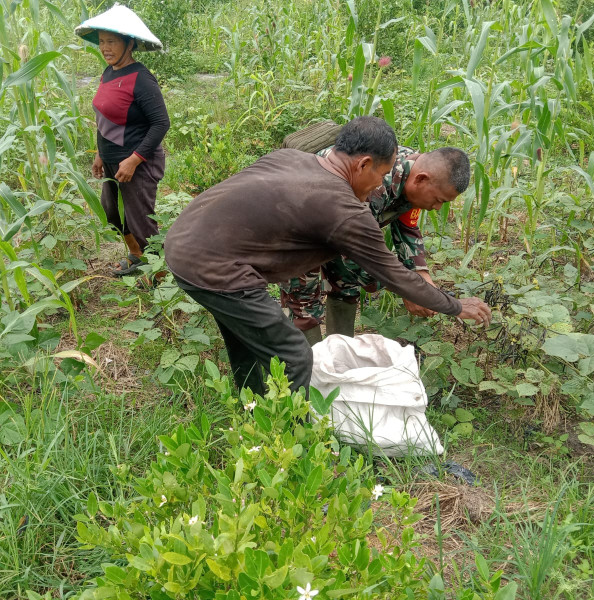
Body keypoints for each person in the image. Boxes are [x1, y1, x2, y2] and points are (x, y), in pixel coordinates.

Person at [164, 117, 491, 394]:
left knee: (246, 342)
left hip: (185, 242)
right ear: (363, 164)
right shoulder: (345, 209)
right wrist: (456, 306)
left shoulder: (290, 158)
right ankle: (295, 439)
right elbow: (391, 271)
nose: (380, 183)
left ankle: (252, 407)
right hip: (214, 268)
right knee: (293, 355)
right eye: (379, 175)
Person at [280, 144, 470, 344]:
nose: (437, 208)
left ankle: (340, 355)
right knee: (302, 300)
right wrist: (408, 289)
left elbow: (407, 226)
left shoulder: (416, 175)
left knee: (346, 286)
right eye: (439, 200)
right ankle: (308, 367)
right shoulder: (373, 186)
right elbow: (357, 256)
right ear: (421, 179)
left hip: (340, 226)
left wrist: (421, 276)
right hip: (302, 226)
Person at [76, 4, 170, 276]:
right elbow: (104, 115)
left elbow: (161, 123)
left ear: (129, 43)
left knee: (141, 221)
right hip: (112, 161)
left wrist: (133, 160)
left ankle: (160, 275)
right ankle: (137, 255)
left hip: (137, 163)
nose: (105, 47)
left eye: (112, 41)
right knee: (113, 215)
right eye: (102, 41)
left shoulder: (141, 79)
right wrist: (99, 153)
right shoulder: (109, 73)